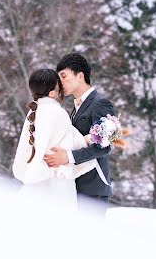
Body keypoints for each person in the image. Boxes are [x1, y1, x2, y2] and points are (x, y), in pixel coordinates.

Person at [13, 68, 109, 212]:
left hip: (38, 178)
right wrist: (92, 137)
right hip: (57, 181)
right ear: (52, 93)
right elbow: (74, 143)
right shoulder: (57, 113)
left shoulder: (33, 113)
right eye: (59, 83)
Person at [44, 53, 114, 216]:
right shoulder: (76, 107)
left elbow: (103, 147)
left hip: (93, 187)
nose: (59, 82)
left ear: (80, 76)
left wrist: (68, 157)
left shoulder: (100, 103)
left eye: (63, 76)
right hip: (75, 187)